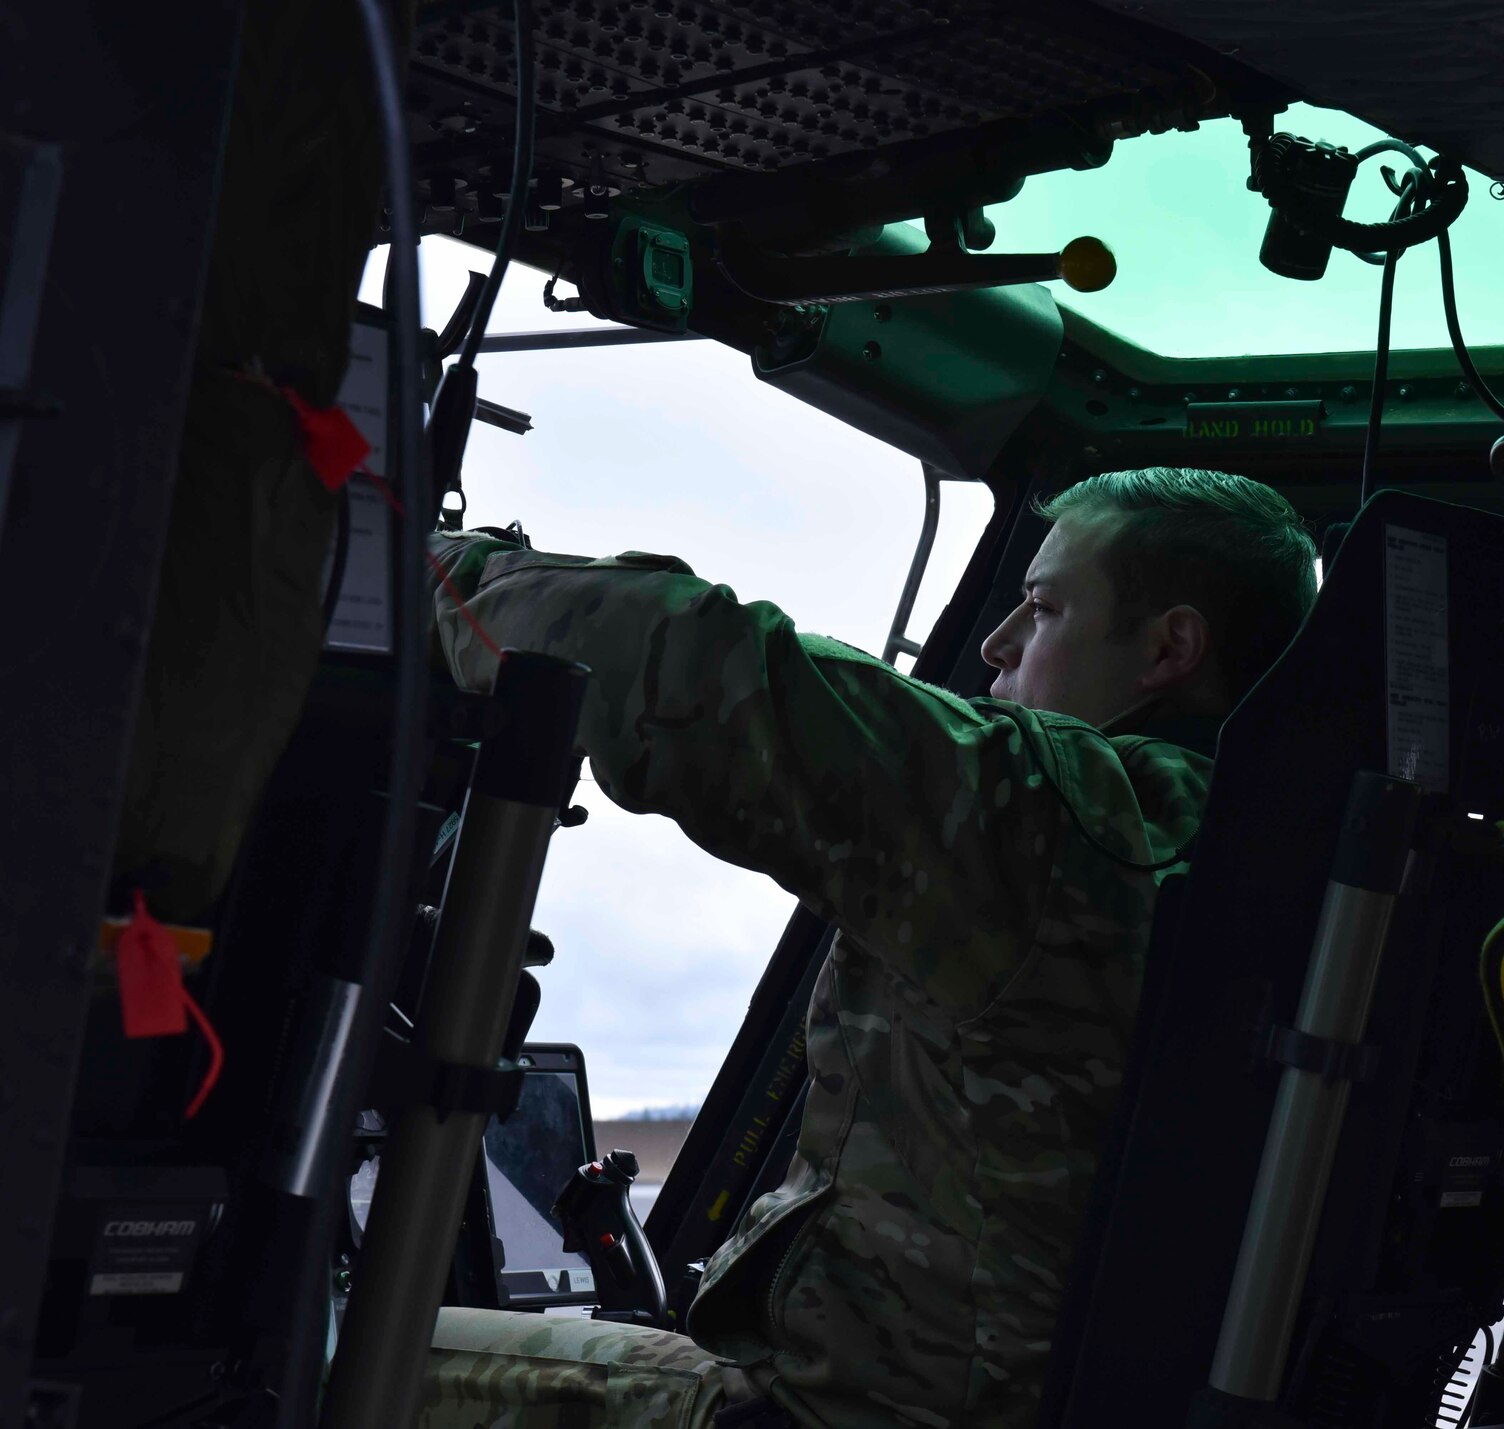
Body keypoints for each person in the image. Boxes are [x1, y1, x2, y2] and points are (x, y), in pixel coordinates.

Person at [418, 467, 1319, 1429]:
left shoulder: (1074, 830)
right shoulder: (1275, 861)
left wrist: (430, 568)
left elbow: (682, 661)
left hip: (848, 1414)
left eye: (1043, 608)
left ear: (1169, 647)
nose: (995, 642)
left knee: (336, 1343)